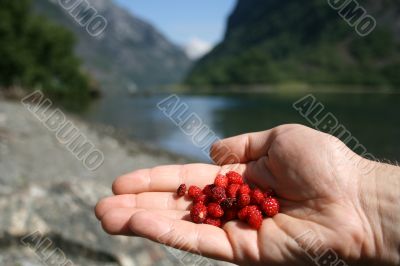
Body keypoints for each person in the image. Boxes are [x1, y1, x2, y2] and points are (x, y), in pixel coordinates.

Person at [95, 124, 400, 266]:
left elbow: (242, 202)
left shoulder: (244, 197)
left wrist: (364, 194)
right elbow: (230, 201)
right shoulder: (225, 197)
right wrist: (368, 203)